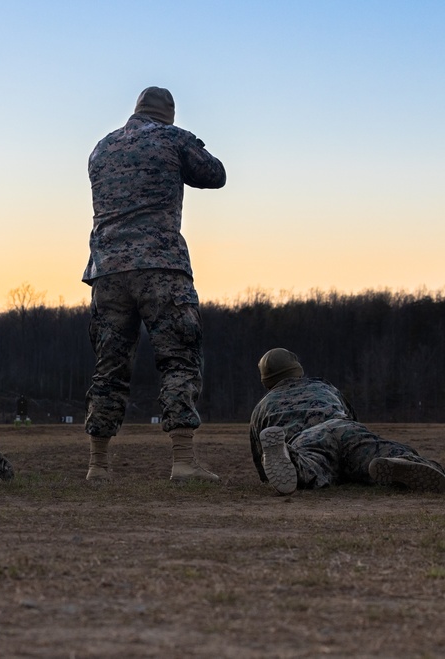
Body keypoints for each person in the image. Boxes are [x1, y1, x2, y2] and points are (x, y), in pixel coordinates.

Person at [82, 86, 227, 483]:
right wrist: (189, 142)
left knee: (108, 367)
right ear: (169, 114)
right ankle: (183, 461)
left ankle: (99, 465)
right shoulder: (171, 139)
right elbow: (216, 175)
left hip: (107, 270)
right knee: (179, 359)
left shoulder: (101, 148)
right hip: (161, 266)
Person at [250, 348, 445, 495]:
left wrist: (268, 473)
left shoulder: (262, 406)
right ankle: (402, 461)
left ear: (265, 380)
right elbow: (351, 415)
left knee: (313, 467)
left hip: (307, 440)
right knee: (376, 451)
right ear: (297, 370)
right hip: (344, 427)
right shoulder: (324, 387)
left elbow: (262, 457)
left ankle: (291, 458)